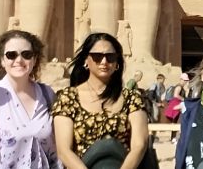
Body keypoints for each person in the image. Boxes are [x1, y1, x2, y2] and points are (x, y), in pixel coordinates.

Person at [51, 33, 148, 169]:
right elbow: (64, 150)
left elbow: (140, 144)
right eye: (97, 56)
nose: (104, 62)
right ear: (86, 60)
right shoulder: (68, 97)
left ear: (117, 63)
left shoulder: (131, 98)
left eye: (110, 57)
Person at [0, 30, 60, 168]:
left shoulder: (48, 95)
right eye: (11, 55)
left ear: (34, 60)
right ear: (2, 61)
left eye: (26, 54)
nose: (19, 60)